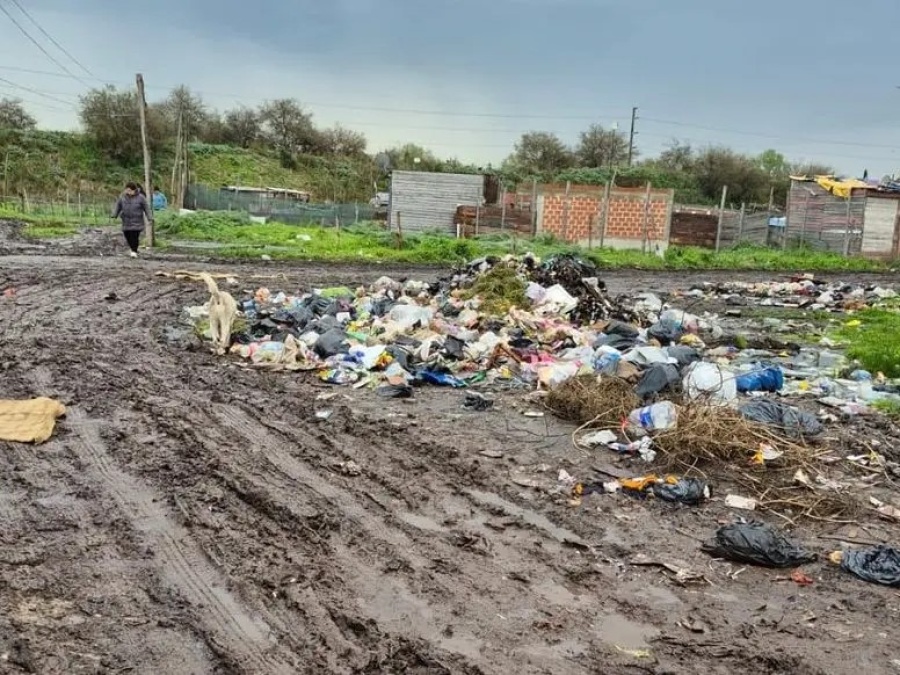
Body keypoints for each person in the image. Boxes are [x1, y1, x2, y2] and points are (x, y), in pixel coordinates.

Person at [112, 181, 151, 258]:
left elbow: (146, 208)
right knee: (127, 235)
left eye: (130, 190)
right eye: (127, 190)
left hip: (137, 221)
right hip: (126, 220)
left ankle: (134, 251)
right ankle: (133, 249)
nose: (128, 192)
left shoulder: (141, 197)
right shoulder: (122, 197)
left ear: (134, 190)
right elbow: (118, 206)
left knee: (134, 236)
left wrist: (149, 217)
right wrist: (115, 214)